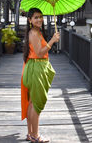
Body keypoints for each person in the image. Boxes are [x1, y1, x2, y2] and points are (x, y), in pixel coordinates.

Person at [21, 8, 60, 143]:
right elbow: (40, 53)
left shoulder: (36, 32)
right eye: (36, 17)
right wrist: (53, 40)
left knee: (32, 103)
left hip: (35, 67)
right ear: (30, 20)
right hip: (37, 68)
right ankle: (36, 136)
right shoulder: (34, 33)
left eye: (40, 17)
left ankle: (31, 134)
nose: (39, 19)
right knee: (37, 103)